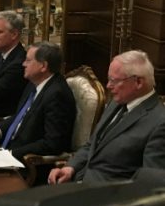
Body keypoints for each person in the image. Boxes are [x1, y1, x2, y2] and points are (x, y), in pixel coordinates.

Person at [48, 50, 165, 184]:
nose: (108, 86)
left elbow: (150, 184)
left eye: (114, 81)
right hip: (78, 181)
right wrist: (70, 167)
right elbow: (92, 144)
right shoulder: (116, 102)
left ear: (138, 82)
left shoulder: (159, 123)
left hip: (108, 197)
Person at [0, 42, 76, 162]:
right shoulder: (33, 83)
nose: (23, 64)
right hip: (6, 149)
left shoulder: (57, 95)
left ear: (43, 66)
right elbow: (20, 116)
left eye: (28, 60)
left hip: (26, 162)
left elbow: (52, 143)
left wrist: (11, 153)